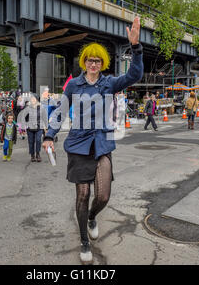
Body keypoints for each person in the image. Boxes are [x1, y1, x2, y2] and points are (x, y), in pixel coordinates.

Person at [42, 17, 143, 264]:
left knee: (103, 196)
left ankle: (91, 218)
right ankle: (84, 242)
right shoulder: (74, 85)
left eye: (98, 60)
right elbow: (60, 112)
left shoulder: (109, 83)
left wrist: (136, 47)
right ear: (84, 61)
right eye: (90, 59)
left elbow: (134, 74)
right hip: (78, 145)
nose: (94, 63)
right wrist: (49, 135)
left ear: (102, 62)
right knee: (82, 195)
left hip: (102, 146)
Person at [25, 95, 48, 162]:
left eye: (34, 99)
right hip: (30, 127)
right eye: (32, 99)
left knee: (38, 140)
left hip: (39, 127)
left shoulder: (41, 108)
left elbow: (45, 117)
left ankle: (38, 154)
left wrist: (46, 127)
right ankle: (32, 155)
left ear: (37, 100)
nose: (33, 100)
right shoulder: (27, 107)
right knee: (31, 142)